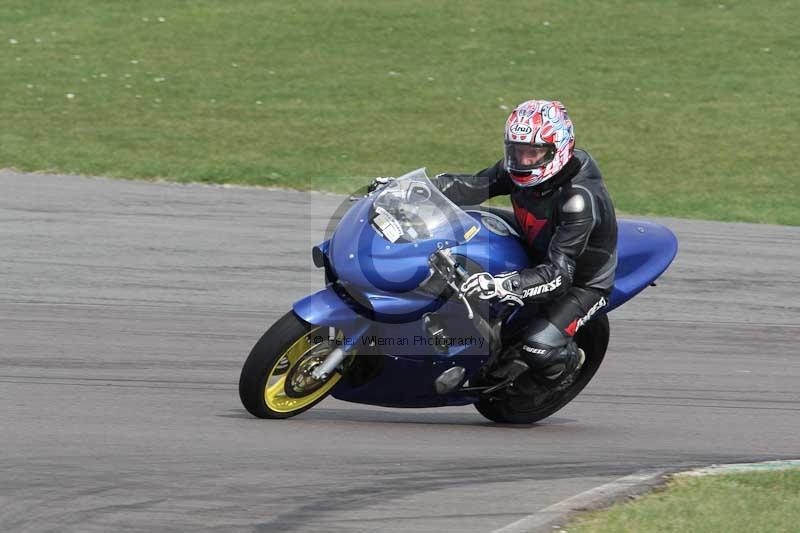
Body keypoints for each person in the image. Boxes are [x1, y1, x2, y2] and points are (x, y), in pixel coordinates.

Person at [429, 99, 618, 384]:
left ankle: (567, 365)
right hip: (532, 244)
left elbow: (559, 276)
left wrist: (501, 285)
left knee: (538, 348)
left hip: (579, 281)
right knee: (456, 236)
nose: (524, 161)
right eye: (517, 151)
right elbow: (471, 187)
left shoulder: (577, 200)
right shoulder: (516, 169)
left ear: (557, 149)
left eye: (533, 153)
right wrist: (416, 190)